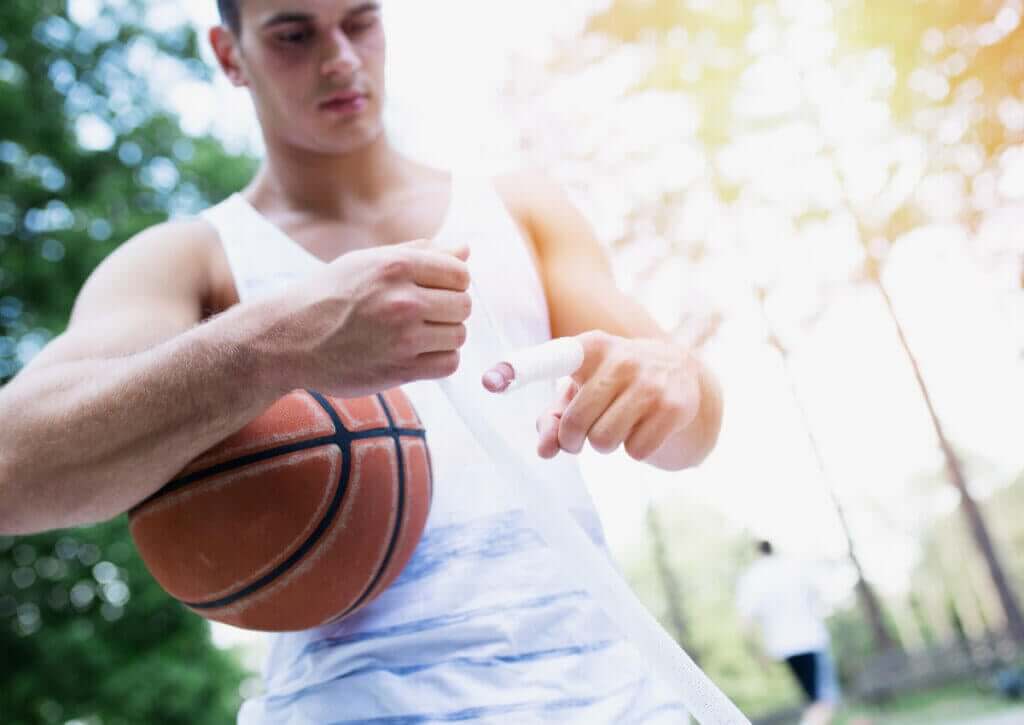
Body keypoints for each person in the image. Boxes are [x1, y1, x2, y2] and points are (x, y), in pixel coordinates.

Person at [0, 1, 723, 721]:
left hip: (612, 702)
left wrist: (676, 384)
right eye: (294, 34)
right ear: (228, 54)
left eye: (360, 21)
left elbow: (690, 435)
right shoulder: (191, 260)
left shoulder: (518, 208)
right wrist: (275, 346)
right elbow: (10, 469)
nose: (340, 57)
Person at [736, 541, 840, 725]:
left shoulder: (752, 577)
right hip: (811, 641)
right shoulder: (794, 566)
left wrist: (758, 655)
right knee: (824, 702)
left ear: (757, 552)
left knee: (815, 701)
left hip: (782, 648)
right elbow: (821, 596)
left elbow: (746, 622)